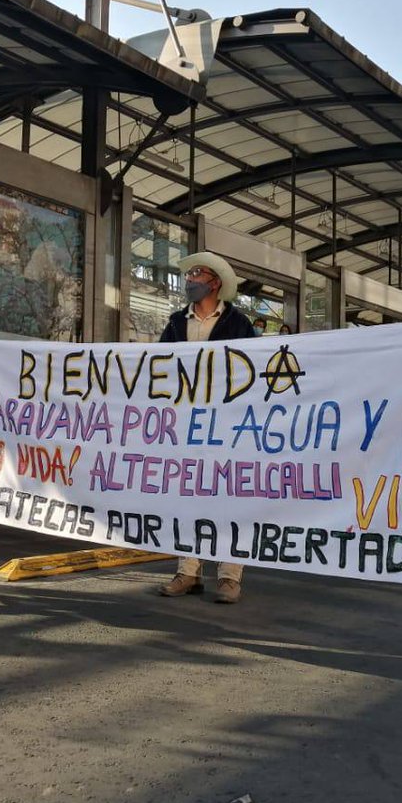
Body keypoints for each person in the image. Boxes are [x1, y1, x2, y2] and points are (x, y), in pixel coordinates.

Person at [158, 252, 255, 603]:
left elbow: (252, 371)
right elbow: (158, 369)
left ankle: (230, 577)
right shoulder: (174, 322)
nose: (191, 280)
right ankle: (188, 571)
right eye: (190, 275)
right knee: (187, 498)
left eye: (198, 275)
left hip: (227, 426)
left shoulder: (238, 323)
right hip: (185, 424)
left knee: (230, 499)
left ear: (215, 283)